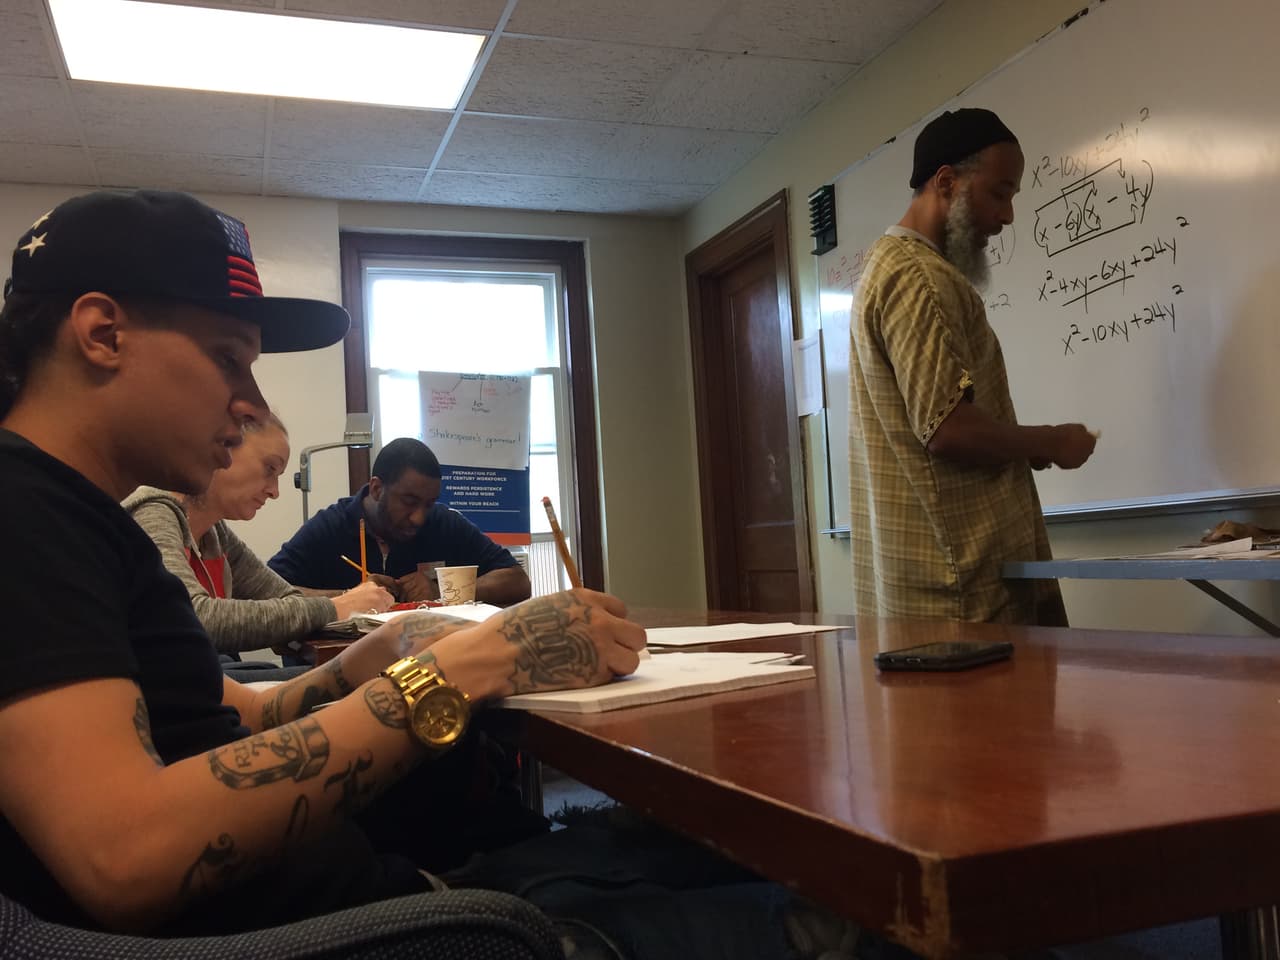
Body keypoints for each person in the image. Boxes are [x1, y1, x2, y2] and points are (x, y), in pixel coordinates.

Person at [0, 190, 649, 939]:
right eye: (228, 360)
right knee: (754, 905)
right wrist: (471, 666)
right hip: (361, 933)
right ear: (102, 333)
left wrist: (375, 658)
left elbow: (245, 713)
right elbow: (125, 855)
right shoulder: (25, 510)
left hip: (357, 888)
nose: (250, 403)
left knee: (649, 852)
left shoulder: (83, 521)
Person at [848, 107, 1097, 626]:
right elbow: (948, 429)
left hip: (950, 586)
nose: (1007, 217)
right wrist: (1050, 441)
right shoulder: (918, 278)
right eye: (1000, 193)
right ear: (947, 182)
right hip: (961, 595)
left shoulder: (895, 269)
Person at [122, 413, 393, 661]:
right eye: (269, 469)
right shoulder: (152, 512)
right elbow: (193, 617)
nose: (274, 491)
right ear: (221, 449)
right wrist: (335, 608)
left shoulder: (216, 533)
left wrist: (344, 602)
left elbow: (286, 599)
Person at [268, 436, 531, 607]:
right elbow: (265, 593)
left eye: (428, 504)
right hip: (337, 664)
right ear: (377, 489)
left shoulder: (442, 523)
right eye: (409, 501)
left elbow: (517, 581)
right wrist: (348, 597)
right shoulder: (331, 527)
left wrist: (443, 590)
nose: (419, 517)